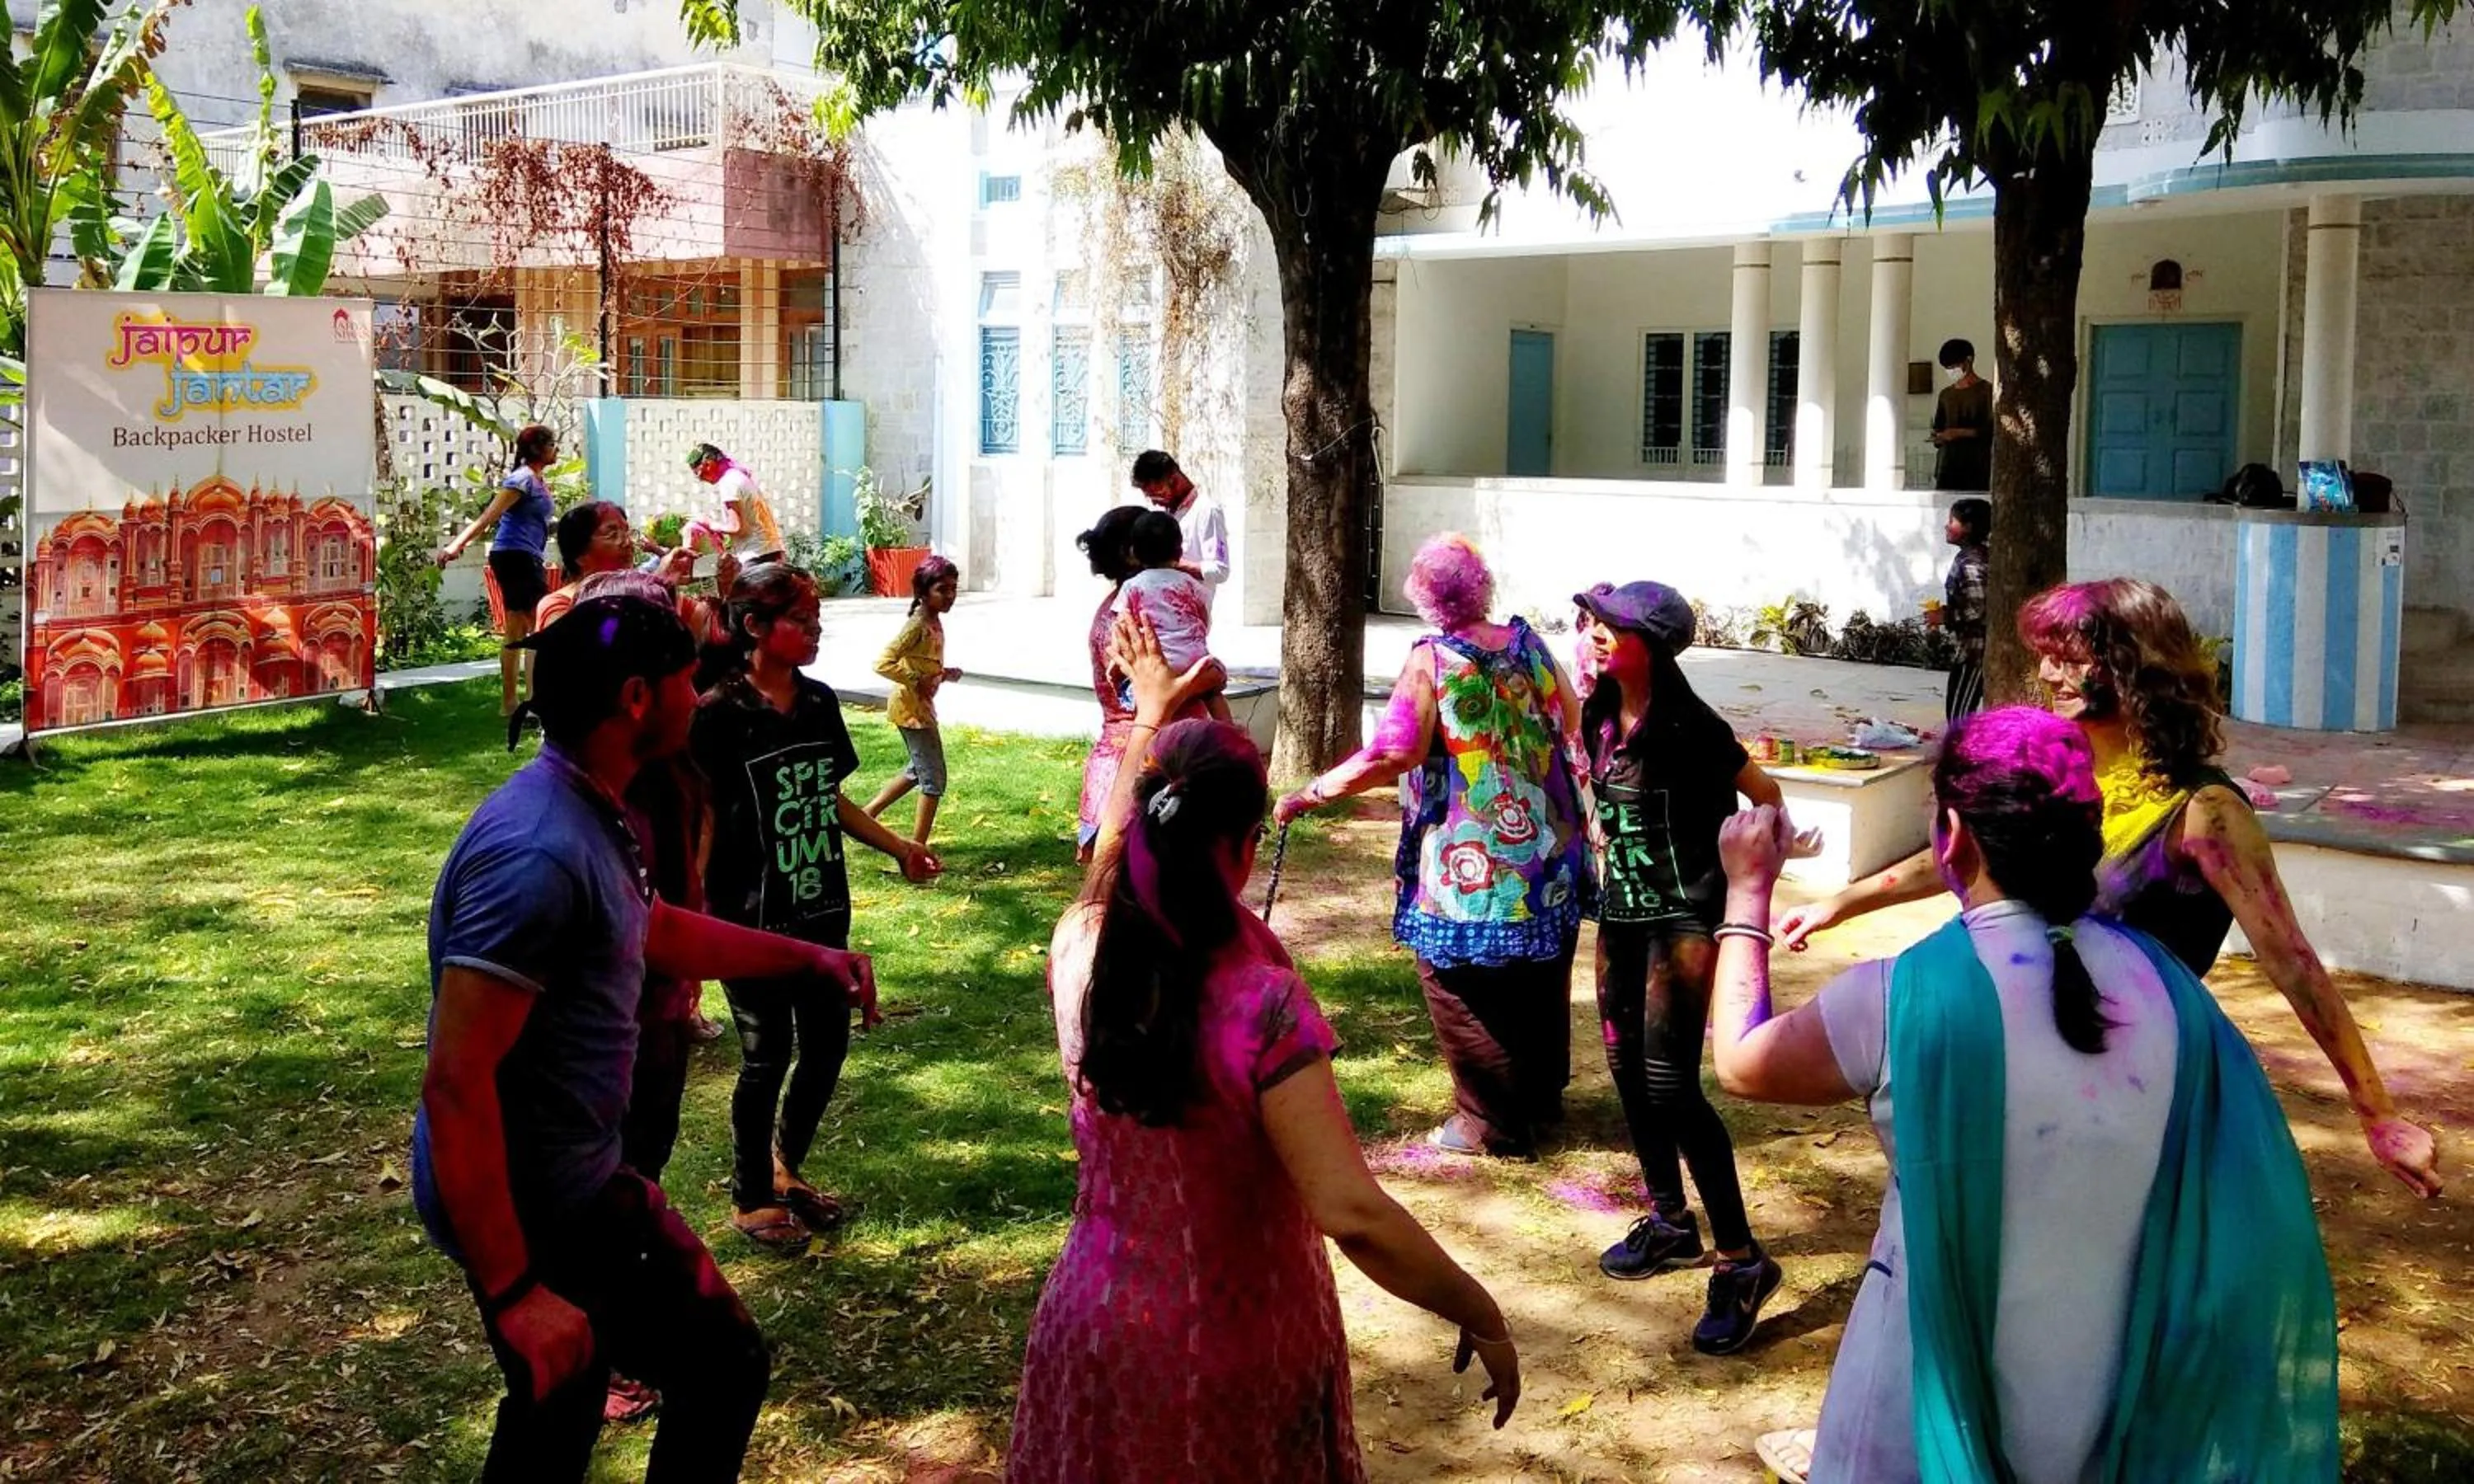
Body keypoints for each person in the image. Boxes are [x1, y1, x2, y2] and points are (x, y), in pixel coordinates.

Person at [1710, 708, 2340, 1483]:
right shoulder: (2172, 993)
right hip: (2108, 1397)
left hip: (1918, 1398)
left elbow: (1742, 1064)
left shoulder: (1903, 996)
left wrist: (1747, 894)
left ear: (1953, 835)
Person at [1009, 611, 1522, 1482]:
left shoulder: (1081, 948)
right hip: (1237, 1352)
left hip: (1093, 1324)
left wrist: (1144, 719)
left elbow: (1106, 866)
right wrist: (1480, 1310)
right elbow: (1352, 1212)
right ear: (1245, 849)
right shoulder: (1262, 1003)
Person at [411, 591, 884, 1479]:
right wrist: (515, 1291)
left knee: (571, 1396)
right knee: (712, 1367)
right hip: (543, 1206)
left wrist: (808, 960)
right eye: (685, 678)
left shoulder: (593, 807)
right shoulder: (539, 855)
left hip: (575, 1181)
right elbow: (457, 1081)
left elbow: (653, 925)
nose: (699, 695)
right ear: (637, 698)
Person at [1778, 578, 2442, 1199]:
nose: (2045, 675)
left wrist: (2378, 1112)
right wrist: (1841, 902)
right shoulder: (2062, 771)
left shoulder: (2204, 811)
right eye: (2045, 657)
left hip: (2131, 1077)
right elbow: (1966, 854)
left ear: (2135, 666)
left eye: (2067, 658)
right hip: (2029, 1061)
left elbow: (2291, 960)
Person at [1275, 534, 1590, 1158]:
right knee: (1538, 976)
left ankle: (1490, 1124)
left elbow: (1397, 750)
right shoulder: (1531, 645)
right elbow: (1571, 717)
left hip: (1470, 859)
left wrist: (1315, 791)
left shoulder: (1433, 661)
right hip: (1549, 843)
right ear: (1483, 586)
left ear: (1424, 598)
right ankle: (1538, 1100)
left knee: (1458, 986)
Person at [692, 562, 944, 1253]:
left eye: (816, 618)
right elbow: (706, 818)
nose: (815, 629)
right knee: (766, 1055)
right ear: (754, 627)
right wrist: (688, 919)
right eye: (800, 620)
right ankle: (749, 1198)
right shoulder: (717, 714)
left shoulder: (819, 702)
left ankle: (786, 1169)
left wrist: (897, 845)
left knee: (827, 1044)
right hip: (746, 919)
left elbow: (824, 797)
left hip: (821, 908)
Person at [1571, 580, 1790, 1354]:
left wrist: (1748, 895)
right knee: (1627, 1069)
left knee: (1670, 1083)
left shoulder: (1693, 727)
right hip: (1623, 918)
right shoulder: (1599, 712)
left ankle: (1742, 1260)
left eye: (1611, 629)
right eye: (1591, 623)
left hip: (1687, 921)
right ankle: (1670, 1222)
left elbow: (1765, 799)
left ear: (1653, 646)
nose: (1593, 636)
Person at [1073, 505, 1220, 862]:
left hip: (1136, 767)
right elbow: (1160, 694)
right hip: (1144, 773)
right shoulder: (1132, 620)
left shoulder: (1133, 609)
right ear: (1131, 553)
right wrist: (1200, 681)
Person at [439, 422, 559, 717]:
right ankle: (533, 704)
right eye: (552, 444)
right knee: (539, 628)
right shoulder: (522, 479)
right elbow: (489, 516)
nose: (556, 449)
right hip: (516, 558)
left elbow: (538, 522)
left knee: (516, 631)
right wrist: (456, 546)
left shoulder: (537, 480)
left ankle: (509, 705)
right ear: (537, 449)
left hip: (522, 556)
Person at [865, 556, 964, 845]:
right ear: (923, 592)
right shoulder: (917, 625)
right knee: (934, 780)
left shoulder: (932, 621)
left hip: (920, 708)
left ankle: (867, 813)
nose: (950, 596)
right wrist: (915, 679)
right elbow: (883, 662)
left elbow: (923, 662)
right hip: (912, 712)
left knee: (916, 770)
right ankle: (918, 848)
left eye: (953, 589)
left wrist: (942, 673)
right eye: (942, 590)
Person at [1112, 510, 1231, 721]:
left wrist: (1116, 663)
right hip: (1196, 664)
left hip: (1159, 666)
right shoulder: (1191, 584)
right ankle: (1231, 735)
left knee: (1138, 695)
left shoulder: (1132, 587)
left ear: (1135, 553)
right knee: (1213, 693)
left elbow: (1121, 625)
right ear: (1179, 551)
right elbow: (1203, 619)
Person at [536, 502, 693, 632]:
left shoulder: (640, 591)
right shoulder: (558, 607)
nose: (627, 543)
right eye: (612, 535)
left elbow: (706, 625)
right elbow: (601, 648)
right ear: (580, 555)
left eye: (627, 533)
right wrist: (656, 586)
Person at [1130, 449, 1230, 613]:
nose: (1155, 503)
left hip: (1190, 615)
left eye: (1158, 495)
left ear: (1174, 480)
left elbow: (1220, 571)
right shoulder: (1165, 513)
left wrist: (1172, 564)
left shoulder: (1207, 511)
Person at [1931, 496, 1992, 721]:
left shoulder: (1972, 562)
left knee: (1959, 716)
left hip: (1976, 652)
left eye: (1952, 521)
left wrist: (1945, 616)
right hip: (1969, 648)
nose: (1947, 526)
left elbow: (1978, 609)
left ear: (1968, 528)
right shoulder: (1972, 556)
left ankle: (1961, 754)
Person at [684, 444, 786, 562]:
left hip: (756, 556)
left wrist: (710, 523)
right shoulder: (738, 477)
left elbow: (736, 528)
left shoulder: (728, 483)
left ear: (709, 464)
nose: (701, 479)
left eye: (700, 474)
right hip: (773, 552)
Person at [1929, 339, 1993, 494]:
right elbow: (1939, 427)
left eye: (1953, 366)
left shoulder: (1987, 392)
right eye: (1947, 368)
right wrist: (1939, 437)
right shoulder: (1946, 395)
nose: (1951, 371)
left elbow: (1991, 431)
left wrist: (1959, 433)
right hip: (1947, 466)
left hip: (1976, 466)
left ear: (1968, 361)